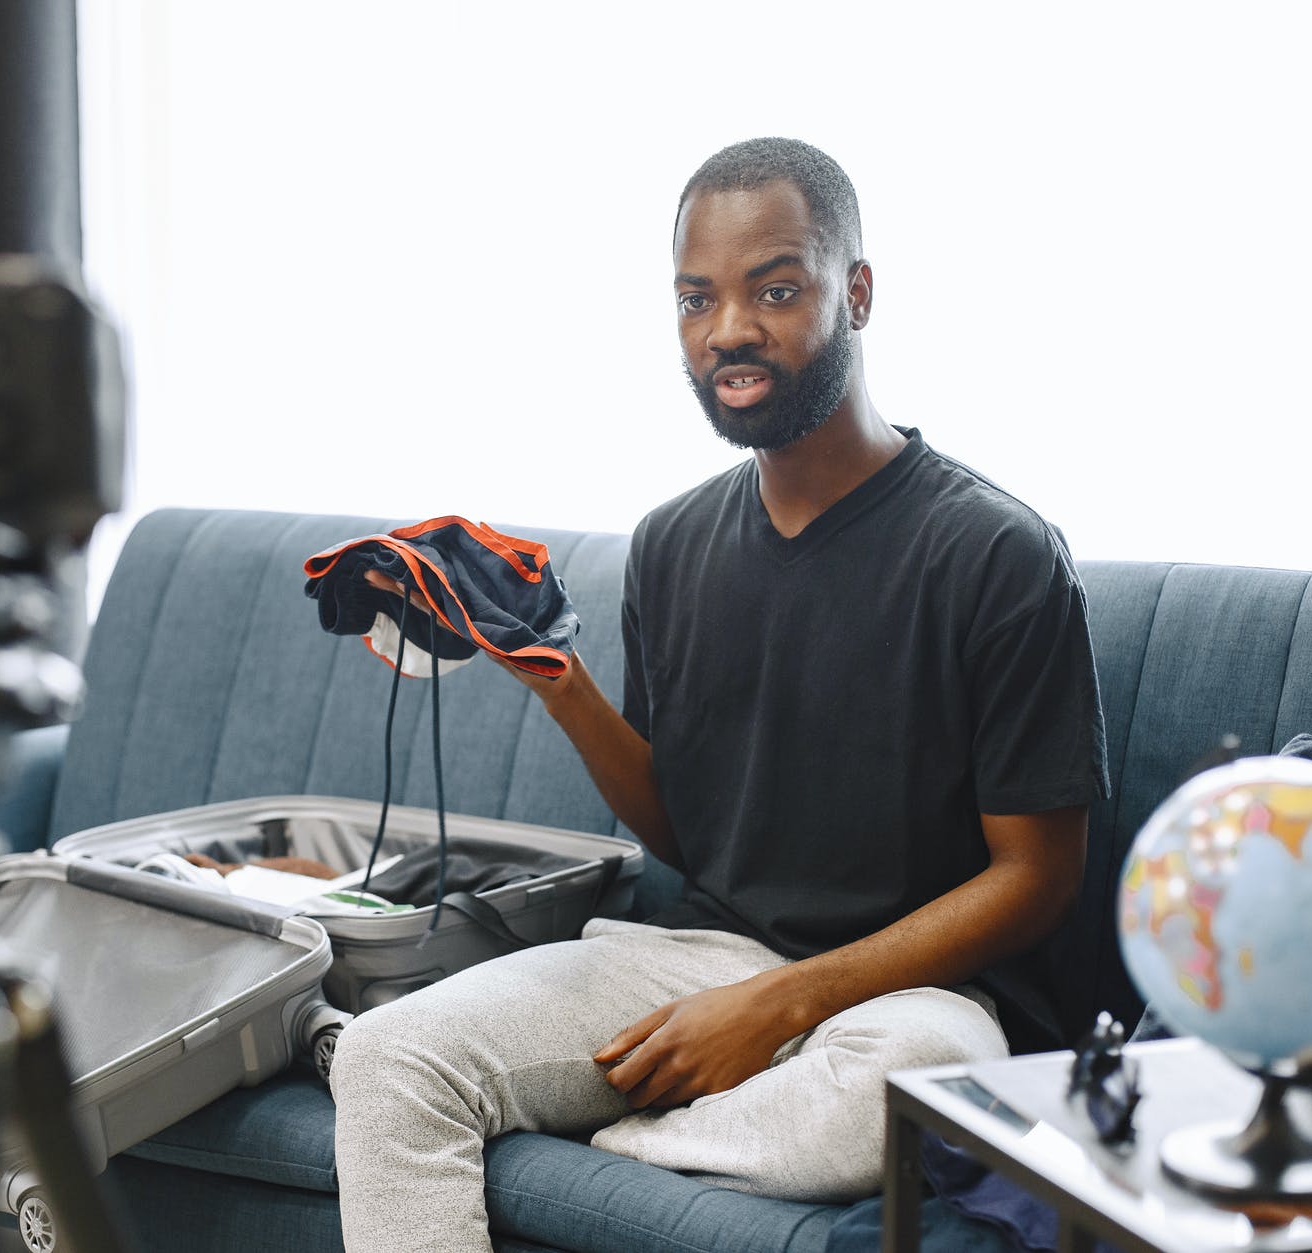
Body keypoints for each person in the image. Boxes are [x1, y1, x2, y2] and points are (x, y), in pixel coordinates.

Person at [329, 136, 1109, 1251]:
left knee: (900, 1091)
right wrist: (553, 678)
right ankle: (674, 1118)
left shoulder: (995, 552)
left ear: (857, 291)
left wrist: (785, 1003)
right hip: (696, 955)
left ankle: (610, 1138)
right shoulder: (671, 543)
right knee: (386, 1055)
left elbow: (1037, 877)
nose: (728, 329)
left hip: (914, 999)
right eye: (696, 299)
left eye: (774, 288)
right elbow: (689, 827)